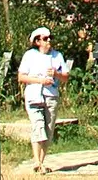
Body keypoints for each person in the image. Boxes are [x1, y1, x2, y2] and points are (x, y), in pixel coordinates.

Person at [16, 27, 68, 173]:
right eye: (45, 39)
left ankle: (42, 161)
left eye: (50, 38)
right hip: (34, 96)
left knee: (48, 130)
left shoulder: (57, 56)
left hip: (51, 96)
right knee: (38, 127)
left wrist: (56, 74)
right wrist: (39, 81)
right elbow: (21, 77)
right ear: (38, 41)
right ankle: (37, 162)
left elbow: (65, 77)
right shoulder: (29, 55)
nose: (49, 41)